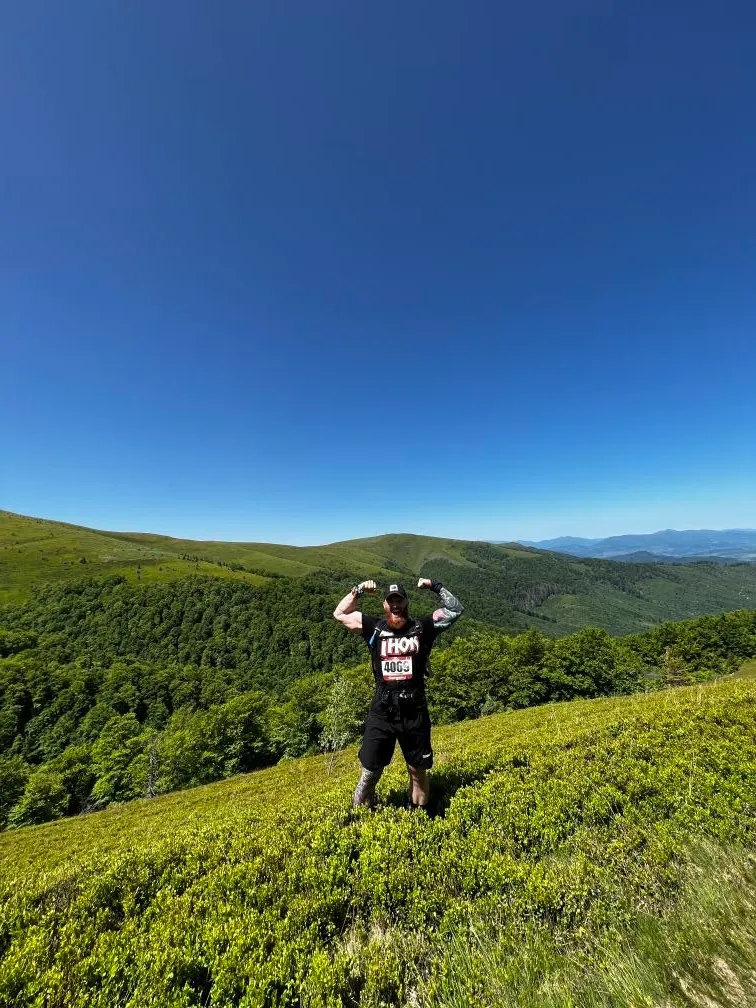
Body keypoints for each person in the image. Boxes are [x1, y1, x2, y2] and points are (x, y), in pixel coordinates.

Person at [333, 577, 464, 810]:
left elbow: (455, 609)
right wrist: (359, 589)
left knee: (418, 772)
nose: (395, 606)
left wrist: (434, 585)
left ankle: (418, 818)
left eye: (399, 601)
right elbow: (340, 614)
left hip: (415, 712)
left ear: (406, 603)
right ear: (384, 606)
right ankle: (361, 817)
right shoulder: (374, 627)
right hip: (381, 713)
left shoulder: (422, 628)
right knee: (370, 772)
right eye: (390, 601)